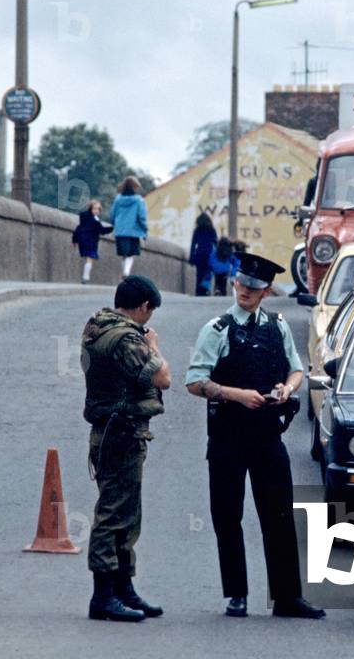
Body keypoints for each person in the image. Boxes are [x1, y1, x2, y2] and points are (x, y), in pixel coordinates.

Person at [186, 252, 325, 620]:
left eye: (254, 287)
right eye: (242, 284)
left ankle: (287, 596)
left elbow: (297, 369)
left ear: (265, 292)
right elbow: (195, 381)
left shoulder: (276, 326)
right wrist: (236, 395)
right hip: (228, 437)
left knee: (278, 515)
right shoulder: (217, 329)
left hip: (267, 435)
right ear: (235, 283)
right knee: (228, 516)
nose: (246, 291)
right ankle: (236, 595)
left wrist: (286, 389)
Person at [82, 276, 172, 622]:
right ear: (143, 307)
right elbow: (161, 377)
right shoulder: (125, 338)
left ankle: (123, 588)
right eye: (150, 312)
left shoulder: (98, 326)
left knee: (126, 512)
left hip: (113, 431)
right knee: (113, 513)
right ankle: (103, 596)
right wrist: (154, 346)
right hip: (121, 432)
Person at [110, 175, 149, 281]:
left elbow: (112, 215)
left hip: (120, 231)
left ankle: (124, 273)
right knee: (131, 254)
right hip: (134, 231)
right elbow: (142, 217)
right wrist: (145, 229)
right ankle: (126, 272)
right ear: (135, 187)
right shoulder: (139, 201)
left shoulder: (118, 200)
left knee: (124, 254)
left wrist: (115, 224)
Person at [72, 200, 113, 284]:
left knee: (87, 258)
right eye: (95, 209)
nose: (96, 211)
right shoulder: (94, 220)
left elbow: (78, 228)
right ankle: (85, 277)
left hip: (82, 240)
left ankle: (85, 276)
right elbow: (102, 230)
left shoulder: (84, 218)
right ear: (90, 209)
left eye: (98, 209)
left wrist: (75, 239)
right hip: (91, 241)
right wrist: (112, 228)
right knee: (89, 258)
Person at [189, 213, 217, 296]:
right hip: (208, 254)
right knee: (207, 274)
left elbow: (193, 245)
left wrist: (191, 257)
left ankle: (198, 291)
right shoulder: (211, 230)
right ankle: (205, 291)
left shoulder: (197, 230)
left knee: (199, 275)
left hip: (199, 254)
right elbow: (216, 243)